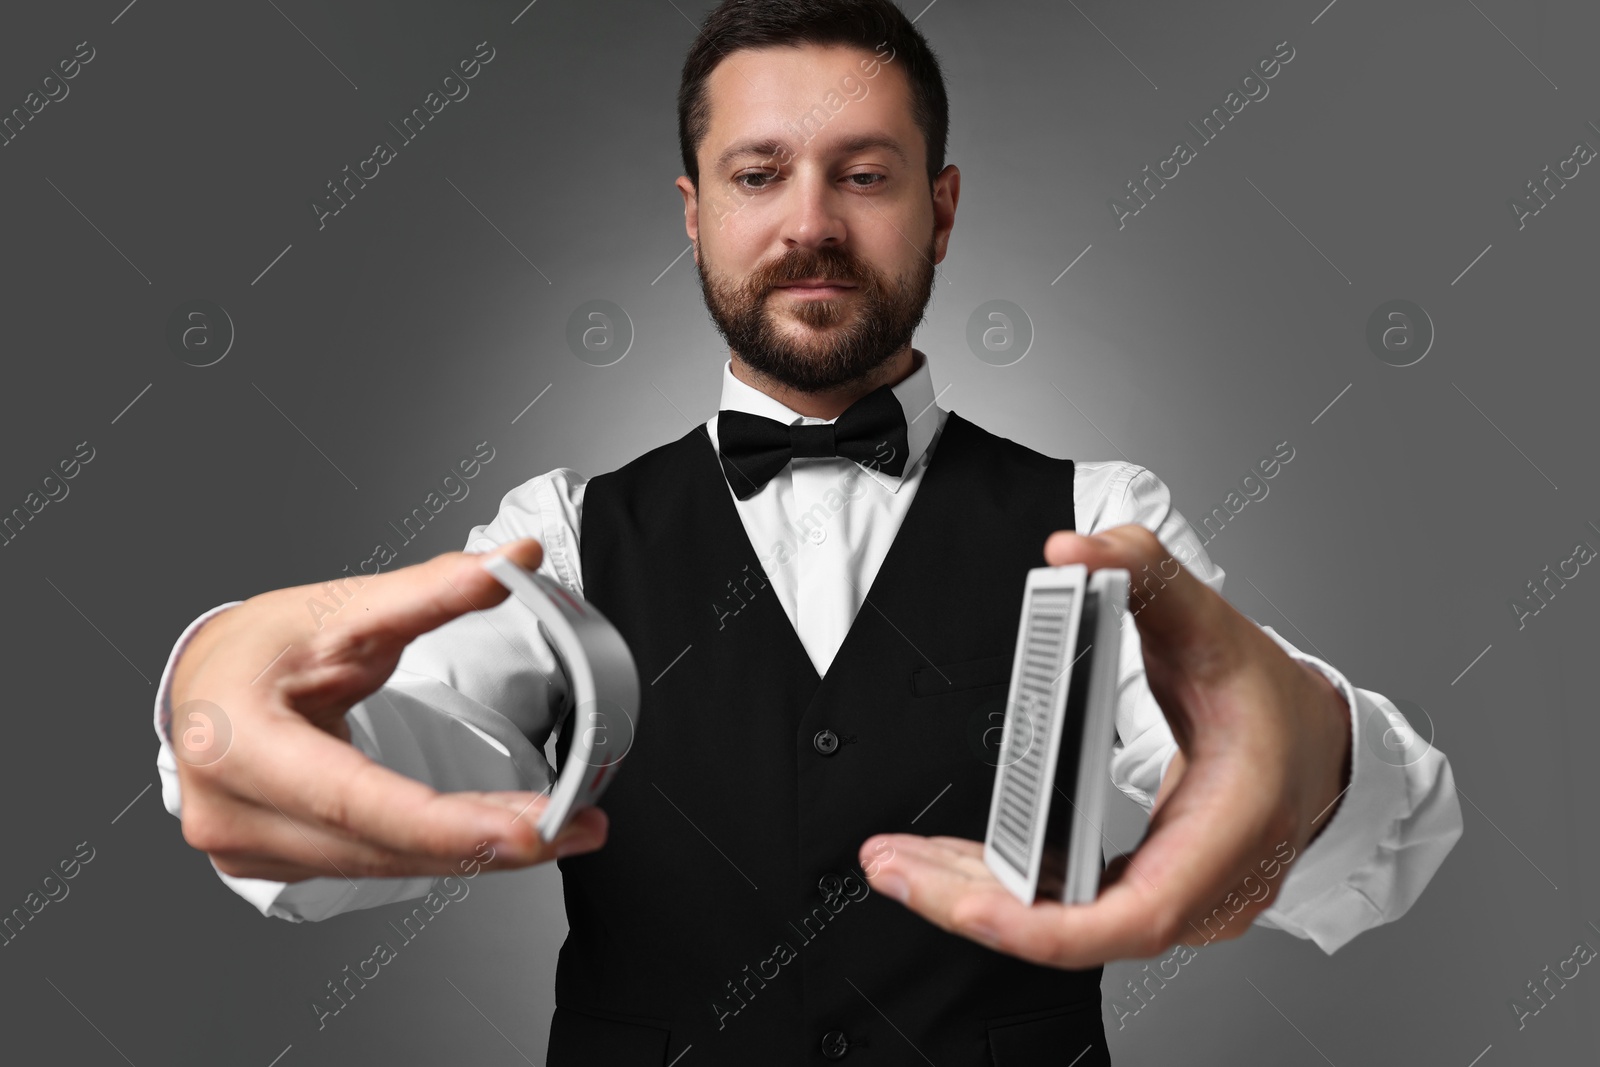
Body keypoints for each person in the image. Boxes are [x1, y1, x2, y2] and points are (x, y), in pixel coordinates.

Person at [154, 1, 1462, 1062]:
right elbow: (379, 768)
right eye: (759, 172)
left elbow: (1307, 815)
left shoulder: (1102, 518)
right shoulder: (560, 531)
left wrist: (1313, 755)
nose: (811, 223)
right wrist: (225, 702)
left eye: (866, 175)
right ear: (694, 212)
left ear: (942, 209)